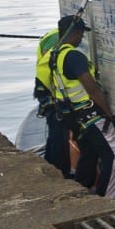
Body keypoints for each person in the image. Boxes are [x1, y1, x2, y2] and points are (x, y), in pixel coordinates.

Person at [49, 14, 115, 199]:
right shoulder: (74, 57)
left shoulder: (55, 55)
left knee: (89, 153)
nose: (82, 38)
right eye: (81, 35)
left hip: (73, 117)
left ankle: (81, 192)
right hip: (89, 115)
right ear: (74, 33)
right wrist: (108, 114)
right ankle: (107, 201)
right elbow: (92, 89)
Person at [33, 26, 72, 179]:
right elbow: (53, 70)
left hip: (47, 89)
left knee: (56, 134)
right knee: (58, 136)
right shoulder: (55, 41)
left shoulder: (54, 36)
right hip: (50, 92)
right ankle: (60, 174)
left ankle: (52, 167)